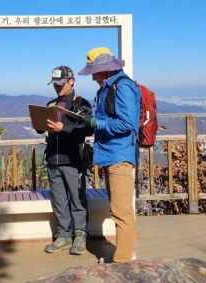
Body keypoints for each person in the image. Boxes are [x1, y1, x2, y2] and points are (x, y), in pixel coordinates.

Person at [78, 47, 140, 263]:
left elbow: (127, 123)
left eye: (93, 72)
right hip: (110, 153)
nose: (92, 77)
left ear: (104, 70)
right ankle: (125, 254)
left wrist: (97, 123)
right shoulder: (108, 87)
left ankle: (123, 263)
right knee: (118, 208)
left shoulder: (123, 87)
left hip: (119, 155)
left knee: (121, 211)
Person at [37, 66, 94, 256]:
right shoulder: (50, 104)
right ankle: (63, 235)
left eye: (61, 84)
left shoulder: (82, 104)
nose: (57, 88)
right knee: (59, 200)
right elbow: (40, 129)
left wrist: (65, 127)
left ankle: (80, 235)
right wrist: (39, 123)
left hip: (73, 159)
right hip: (53, 158)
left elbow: (88, 129)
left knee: (77, 199)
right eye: (55, 84)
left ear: (71, 82)